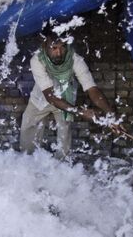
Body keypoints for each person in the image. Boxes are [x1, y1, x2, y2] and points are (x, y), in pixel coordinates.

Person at [20, 22, 124, 158]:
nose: (59, 53)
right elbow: (50, 96)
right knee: (27, 131)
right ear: (45, 43)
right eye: (54, 48)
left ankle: (61, 169)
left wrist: (111, 116)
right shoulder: (37, 60)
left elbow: (91, 88)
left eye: (62, 47)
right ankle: (28, 164)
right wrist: (80, 111)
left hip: (65, 101)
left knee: (64, 143)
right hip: (41, 98)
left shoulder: (75, 59)